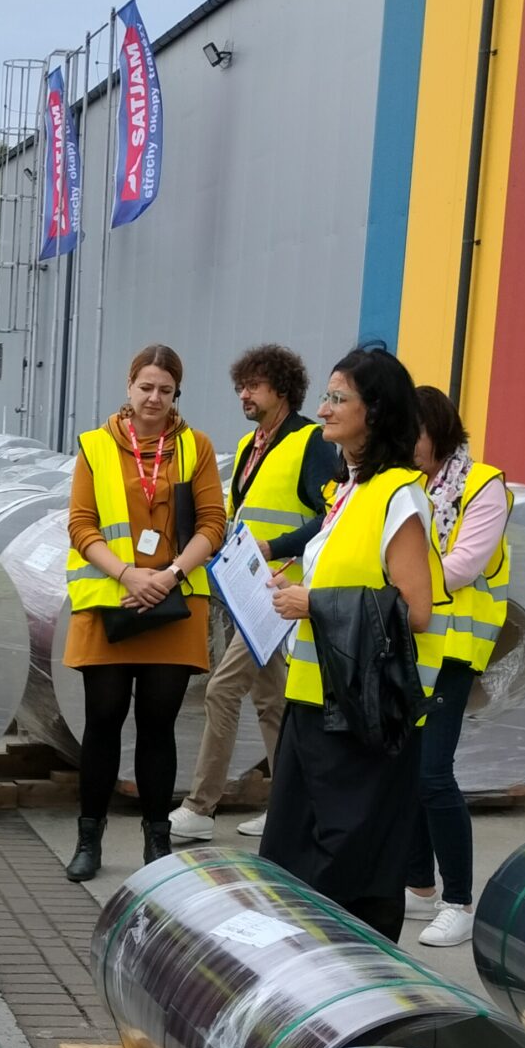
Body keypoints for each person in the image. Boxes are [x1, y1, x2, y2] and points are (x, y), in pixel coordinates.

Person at [259, 347, 446, 940]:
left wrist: (313, 602)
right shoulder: (349, 491)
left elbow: (416, 609)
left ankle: (353, 977)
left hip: (362, 715)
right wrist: (293, 588)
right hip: (315, 702)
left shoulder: (397, 495)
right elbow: (351, 580)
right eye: (327, 396)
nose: (324, 408)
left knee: (347, 867)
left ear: (376, 411)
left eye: (339, 398)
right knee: (293, 855)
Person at [60, 345, 226, 881]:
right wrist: (128, 575)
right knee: (103, 721)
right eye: (146, 387)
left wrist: (169, 575)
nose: (154, 398)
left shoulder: (195, 447)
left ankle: (158, 842)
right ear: (129, 386)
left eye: (166, 390)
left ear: (177, 394)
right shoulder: (96, 445)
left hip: (174, 603)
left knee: (158, 724)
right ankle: (89, 840)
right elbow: (81, 525)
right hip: (112, 600)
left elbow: (213, 524)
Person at [170, 344, 341, 845]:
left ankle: (200, 807)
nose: (243, 395)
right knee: (271, 699)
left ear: (281, 390)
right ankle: (290, 804)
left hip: (280, 588)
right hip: (249, 589)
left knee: (223, 690)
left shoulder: (311, 441)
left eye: (253, 386)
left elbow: (330, 516)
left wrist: (273, 546)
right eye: (240, 386)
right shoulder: (251, 445)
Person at [400, 384, 510, 948]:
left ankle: (459, 901)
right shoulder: (405, 484)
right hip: (411, 645)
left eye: (412, 433)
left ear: (438, 431)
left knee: (432, 773)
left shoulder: (483, 486)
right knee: (408, 769)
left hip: (455, 650)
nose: (405, 445)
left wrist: (391, 577)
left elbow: (462, 565)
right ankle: (419, 886)